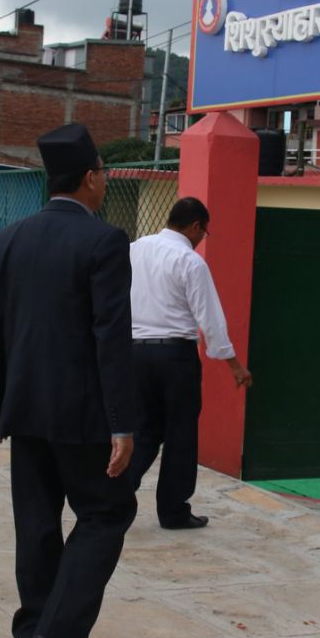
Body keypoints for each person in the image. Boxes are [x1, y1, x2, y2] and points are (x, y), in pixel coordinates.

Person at [0, 123, 136, 638]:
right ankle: (62, 630)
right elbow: (111, 336)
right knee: (108, 510)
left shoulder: (9, 238)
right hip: (83, 413)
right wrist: (123, 423)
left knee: (37, 520)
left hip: (23, 407)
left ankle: (33, 630)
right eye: (104, 174)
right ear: (91, 177)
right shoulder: (104, 240)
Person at [123, 197, 252, 529]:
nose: (201, 238)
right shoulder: (190, 261)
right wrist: (235, 365)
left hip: (135, 352)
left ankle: (115, 495)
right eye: (204, 232)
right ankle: (173, 511)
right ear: (196, 226)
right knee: (180, 433)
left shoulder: (136, 249)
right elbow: (210, 320)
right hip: (175, 357)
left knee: (144, 429)